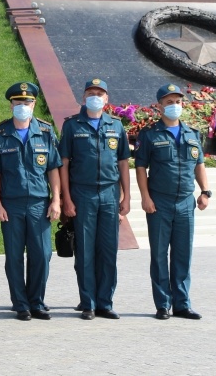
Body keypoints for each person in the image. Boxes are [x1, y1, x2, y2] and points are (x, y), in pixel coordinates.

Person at [134, 83, 210, 320]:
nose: (174, 106)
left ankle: (182, 304)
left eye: (177, 102)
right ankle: (163, 304)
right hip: (159, 202)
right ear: (159, 106)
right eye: (169, 102)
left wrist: (205, 191)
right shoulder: (149, 135)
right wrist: (145, 197)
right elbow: (140, 167)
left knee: (182, 254)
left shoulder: (192, 134)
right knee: (159, 255)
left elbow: (199, 165)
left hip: (186, 202)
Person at [0, 82, 61, 321]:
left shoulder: (46, 132)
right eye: (18, 102)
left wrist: (56, 200)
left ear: (34, 104)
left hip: (39, 203)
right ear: (11, 105)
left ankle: (36, 301)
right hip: (11, 204)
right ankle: (20, 303)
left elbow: (53, 170)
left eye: (27, 102)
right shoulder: (0, 133)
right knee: (15, 255)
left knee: (42, 253)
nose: (22, 106)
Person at [59, 79, 131, 320]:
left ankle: (105, 302)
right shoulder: (71, 126)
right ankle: (87, 302)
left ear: (107, 99)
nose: (95, 96)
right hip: (82, 193)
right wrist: (66, 199)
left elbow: (123, 162)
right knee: (85, 250)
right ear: (83, 97)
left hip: (110, 194)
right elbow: (64, 165)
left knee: (108, 250)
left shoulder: (116, 126)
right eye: (91, 93)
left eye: (100, 93)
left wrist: (127, 196)